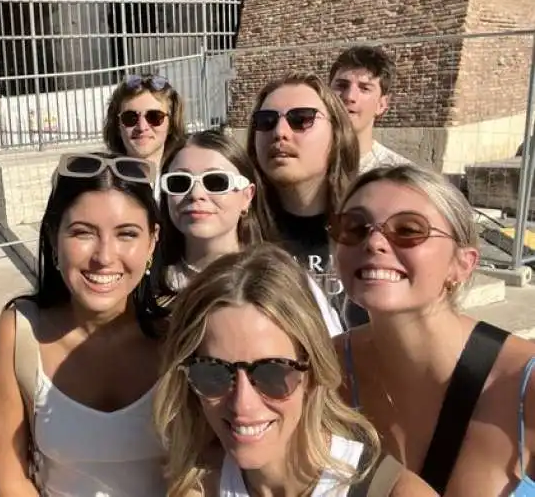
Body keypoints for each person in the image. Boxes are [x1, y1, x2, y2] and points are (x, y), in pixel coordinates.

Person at [153, 244, 435, 497]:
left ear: (312, 372)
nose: (242, 403)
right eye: (213, 373)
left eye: (272, 373)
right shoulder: (198, 486)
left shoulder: (392, 493)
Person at [330, 165, 535, 496]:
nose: (374, 242)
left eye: (409, 230)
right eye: (355, 228)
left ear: (463, 264)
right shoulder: (322, 372)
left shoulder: (525, 388)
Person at [0, 151, 172, 496]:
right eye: (83, 233)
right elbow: (10, 480)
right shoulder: (19, 333)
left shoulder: (178, 337)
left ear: (152, 242)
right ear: (54, 237)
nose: (104, 256)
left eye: (127, 234)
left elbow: (206, 464)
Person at [160, 129, 342, 335]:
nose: (196, 194)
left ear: (247, 196)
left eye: (216, 182)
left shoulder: (284, 279)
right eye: (179, 182)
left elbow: (329, 354)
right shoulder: (148, 284)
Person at [247, 72, 359, 321]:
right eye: (265, 120)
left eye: (301, 119)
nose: (280, 132)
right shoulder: (237, 231)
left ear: (337, 133)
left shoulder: (374, 228)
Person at [328, 45, 410, 173]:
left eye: (364, 88)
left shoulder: (397, 177)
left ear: (381, 104)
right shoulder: (302, 163)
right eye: (342, 85)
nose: (349, 97)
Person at [103, 73, 186, 197]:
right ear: (117, 126)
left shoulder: (186, 181)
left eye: (154, 117)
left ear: (171, 124)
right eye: (130, 118)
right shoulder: (104, 186)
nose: (142, 127)